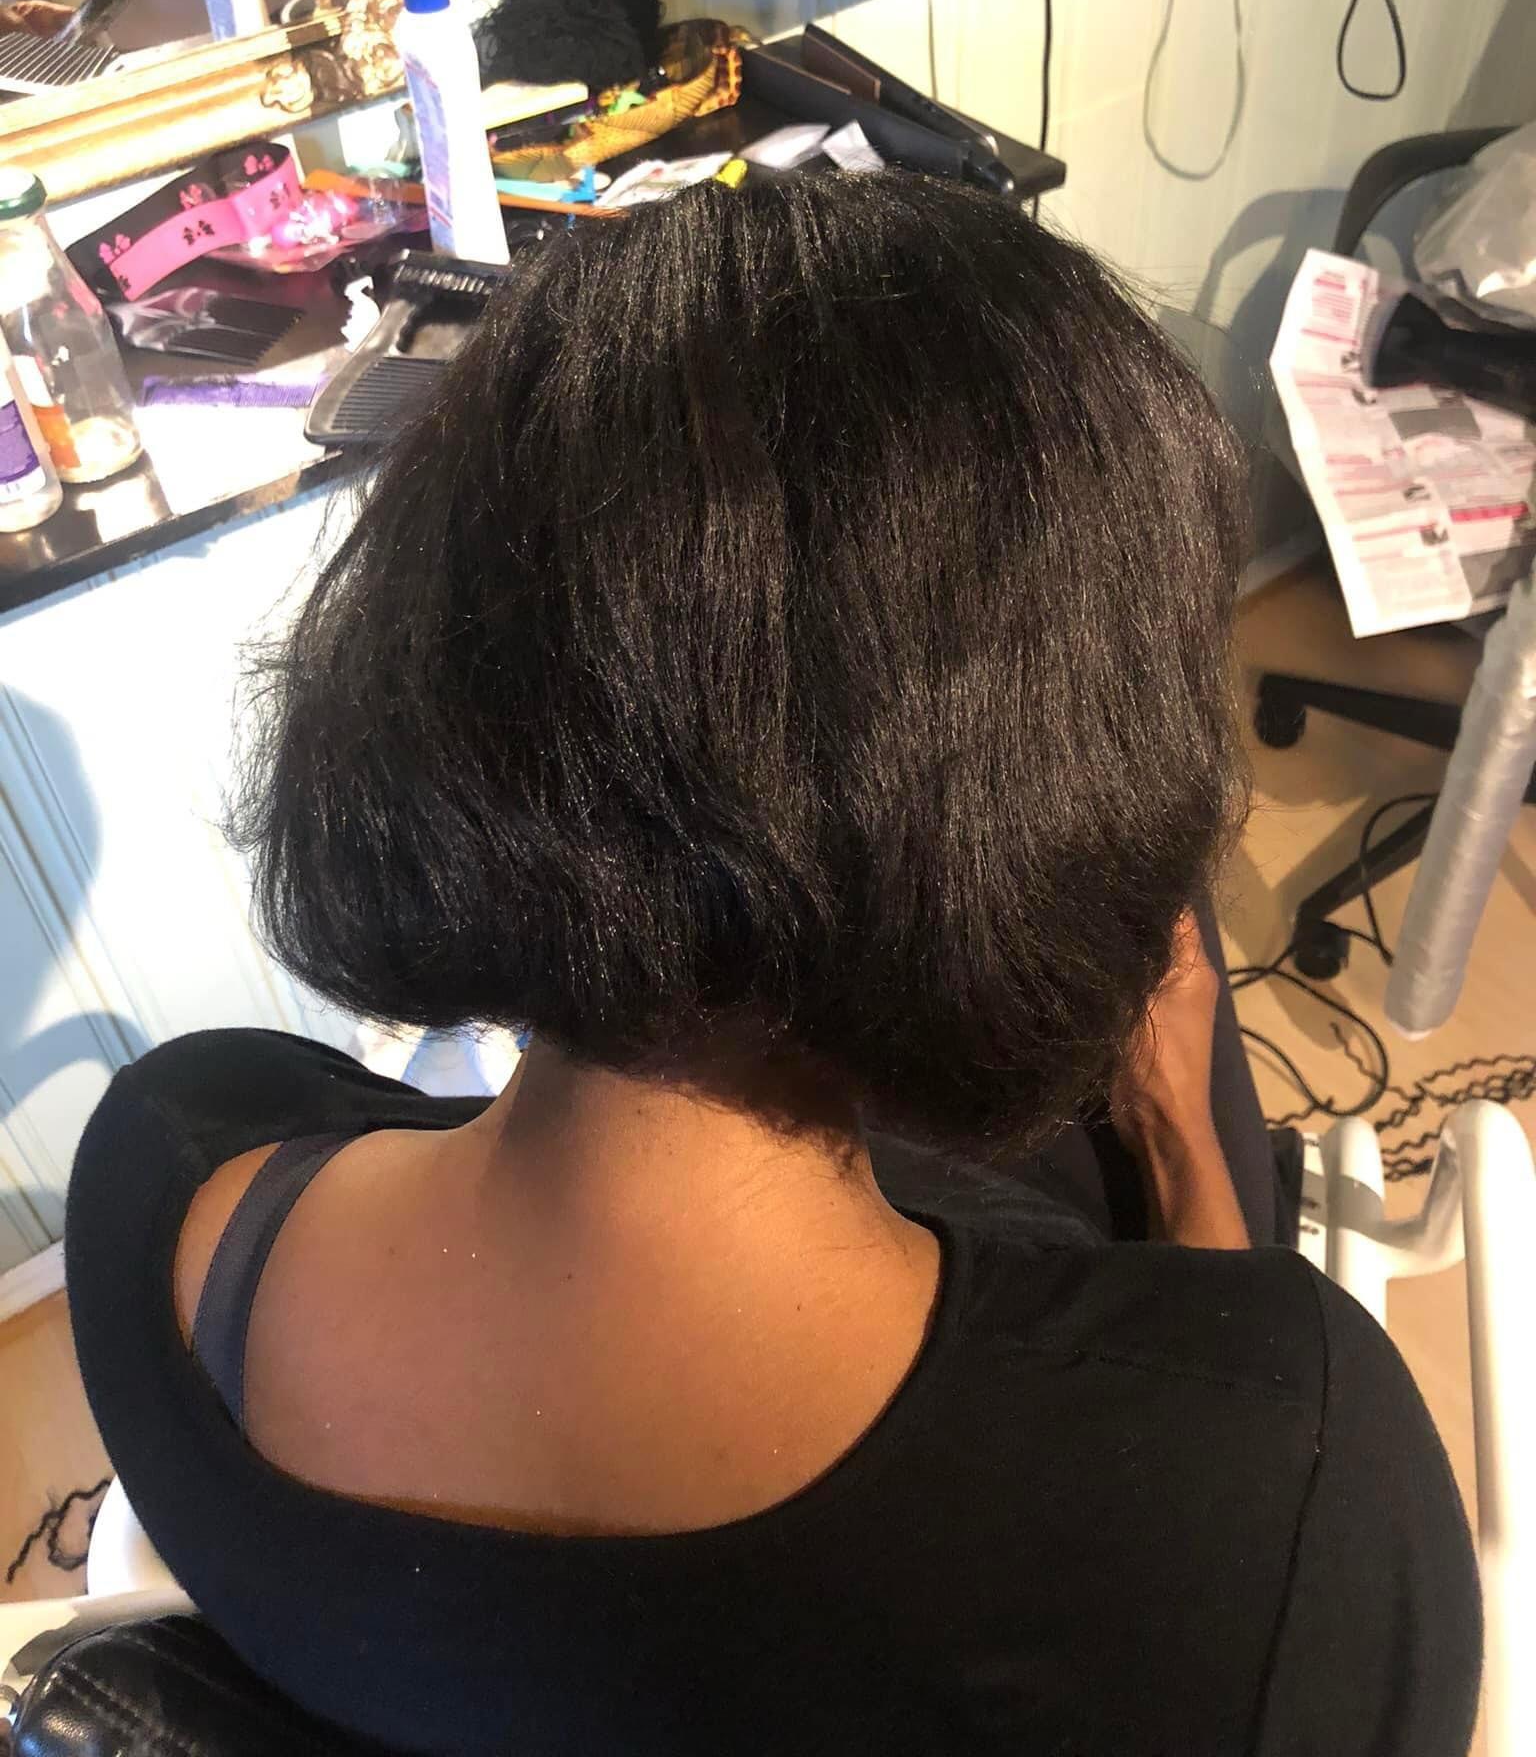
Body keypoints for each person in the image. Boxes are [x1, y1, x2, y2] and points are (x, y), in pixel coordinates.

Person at [67, 174, 1480, 1757]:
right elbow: (1224, 1402)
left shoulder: (169, 1173)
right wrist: (1174, 1142)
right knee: (1177, 991)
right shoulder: (1288, 1468)